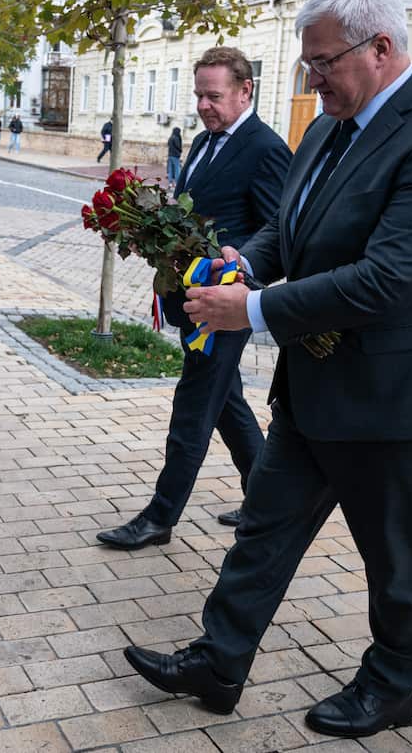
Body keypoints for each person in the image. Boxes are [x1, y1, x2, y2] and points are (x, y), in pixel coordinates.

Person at [125, 0, 412, 741]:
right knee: (262, 529)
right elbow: (289, 231)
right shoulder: (327, 129)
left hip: (402, 396)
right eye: (308, 63)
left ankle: (393, 685)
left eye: (323, 62)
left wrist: (253, 310)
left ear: (382, 49)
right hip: (318, 383)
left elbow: (391, 277)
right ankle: (218, 662)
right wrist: (244, 260)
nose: (312, 78)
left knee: (398, 556)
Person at [97, 46, 289, 551]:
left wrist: (238, 265)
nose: (204, 104)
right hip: (191, 292)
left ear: (245, 91)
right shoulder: (204, 141)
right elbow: (194, 210)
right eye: (199, 94)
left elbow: (278, 228)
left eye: (214, 95)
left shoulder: (265, 148)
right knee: (225, 402)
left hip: (226, 302)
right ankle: (266, 498)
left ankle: (160, 518)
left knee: (193, 406)